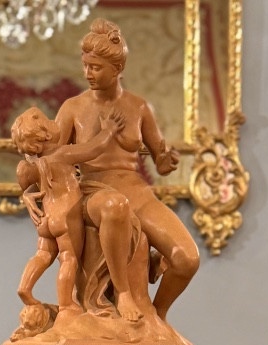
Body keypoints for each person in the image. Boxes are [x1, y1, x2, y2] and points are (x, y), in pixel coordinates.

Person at [53, 17, 200, 321]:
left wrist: (165, 159)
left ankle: (158, 316)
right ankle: (122, 294)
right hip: (93, 192)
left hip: (137, 191)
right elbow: (53, 159)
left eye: (96, 67)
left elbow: (159, 155)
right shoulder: (72, 108)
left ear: (117, 69)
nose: (88, 74)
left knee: (186, 259)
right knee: (114, 206)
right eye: (86, 66)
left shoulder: (139, 107)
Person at [10, 106, 140, 322]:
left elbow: (26, 184)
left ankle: (25, 288)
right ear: (46, 135)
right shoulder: (62, 154)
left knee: (42, 255)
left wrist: (26, 195)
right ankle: (66, 305)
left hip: (46, 217)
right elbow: (93, 149)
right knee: (68, 258)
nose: (56, 122)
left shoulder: (36, 163)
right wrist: (108, 130)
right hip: (66, 215)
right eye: (50, 121)